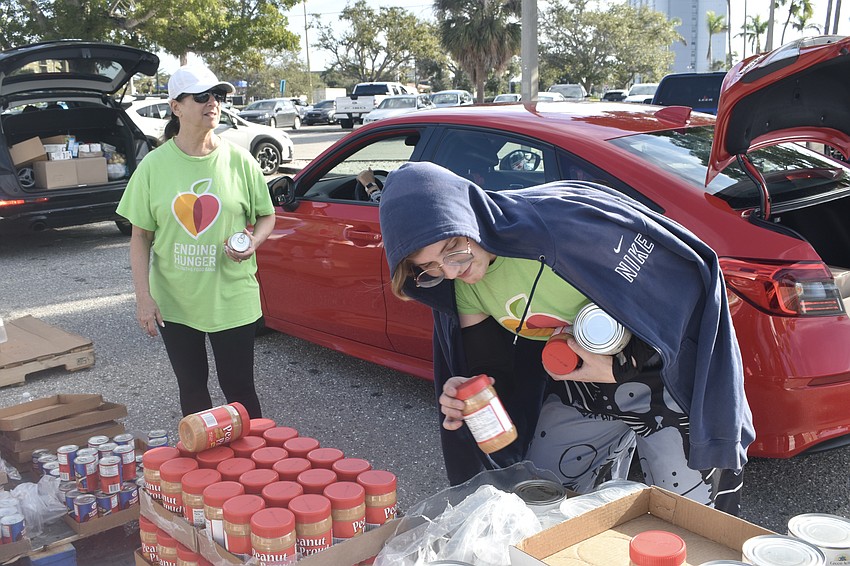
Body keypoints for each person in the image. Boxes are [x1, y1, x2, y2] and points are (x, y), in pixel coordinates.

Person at [378, 161, 755, 515]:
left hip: (668, 381)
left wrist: (624, 365)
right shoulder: (466, 288)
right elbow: (492, 369)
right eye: (430, 268)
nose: (454, 271)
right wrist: (469, 393)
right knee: (536, 500)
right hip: (584, 389)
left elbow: (682, 284)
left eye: (452, 250)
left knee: (686, 520)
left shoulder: (562, 223)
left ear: (467, 213)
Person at [116, 65, 275, 419]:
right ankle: (204, 469)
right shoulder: (154, 167)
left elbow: (267, 215)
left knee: (240, 390)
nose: (213, 103)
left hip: (232, 296)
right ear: (176, 107)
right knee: (192, 389)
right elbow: (140, 236)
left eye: (217, 95)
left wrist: (254, 243)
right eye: (201, 96)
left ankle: (256, 468)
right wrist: (144, 297)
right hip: (176, 301)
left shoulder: (240, 161)